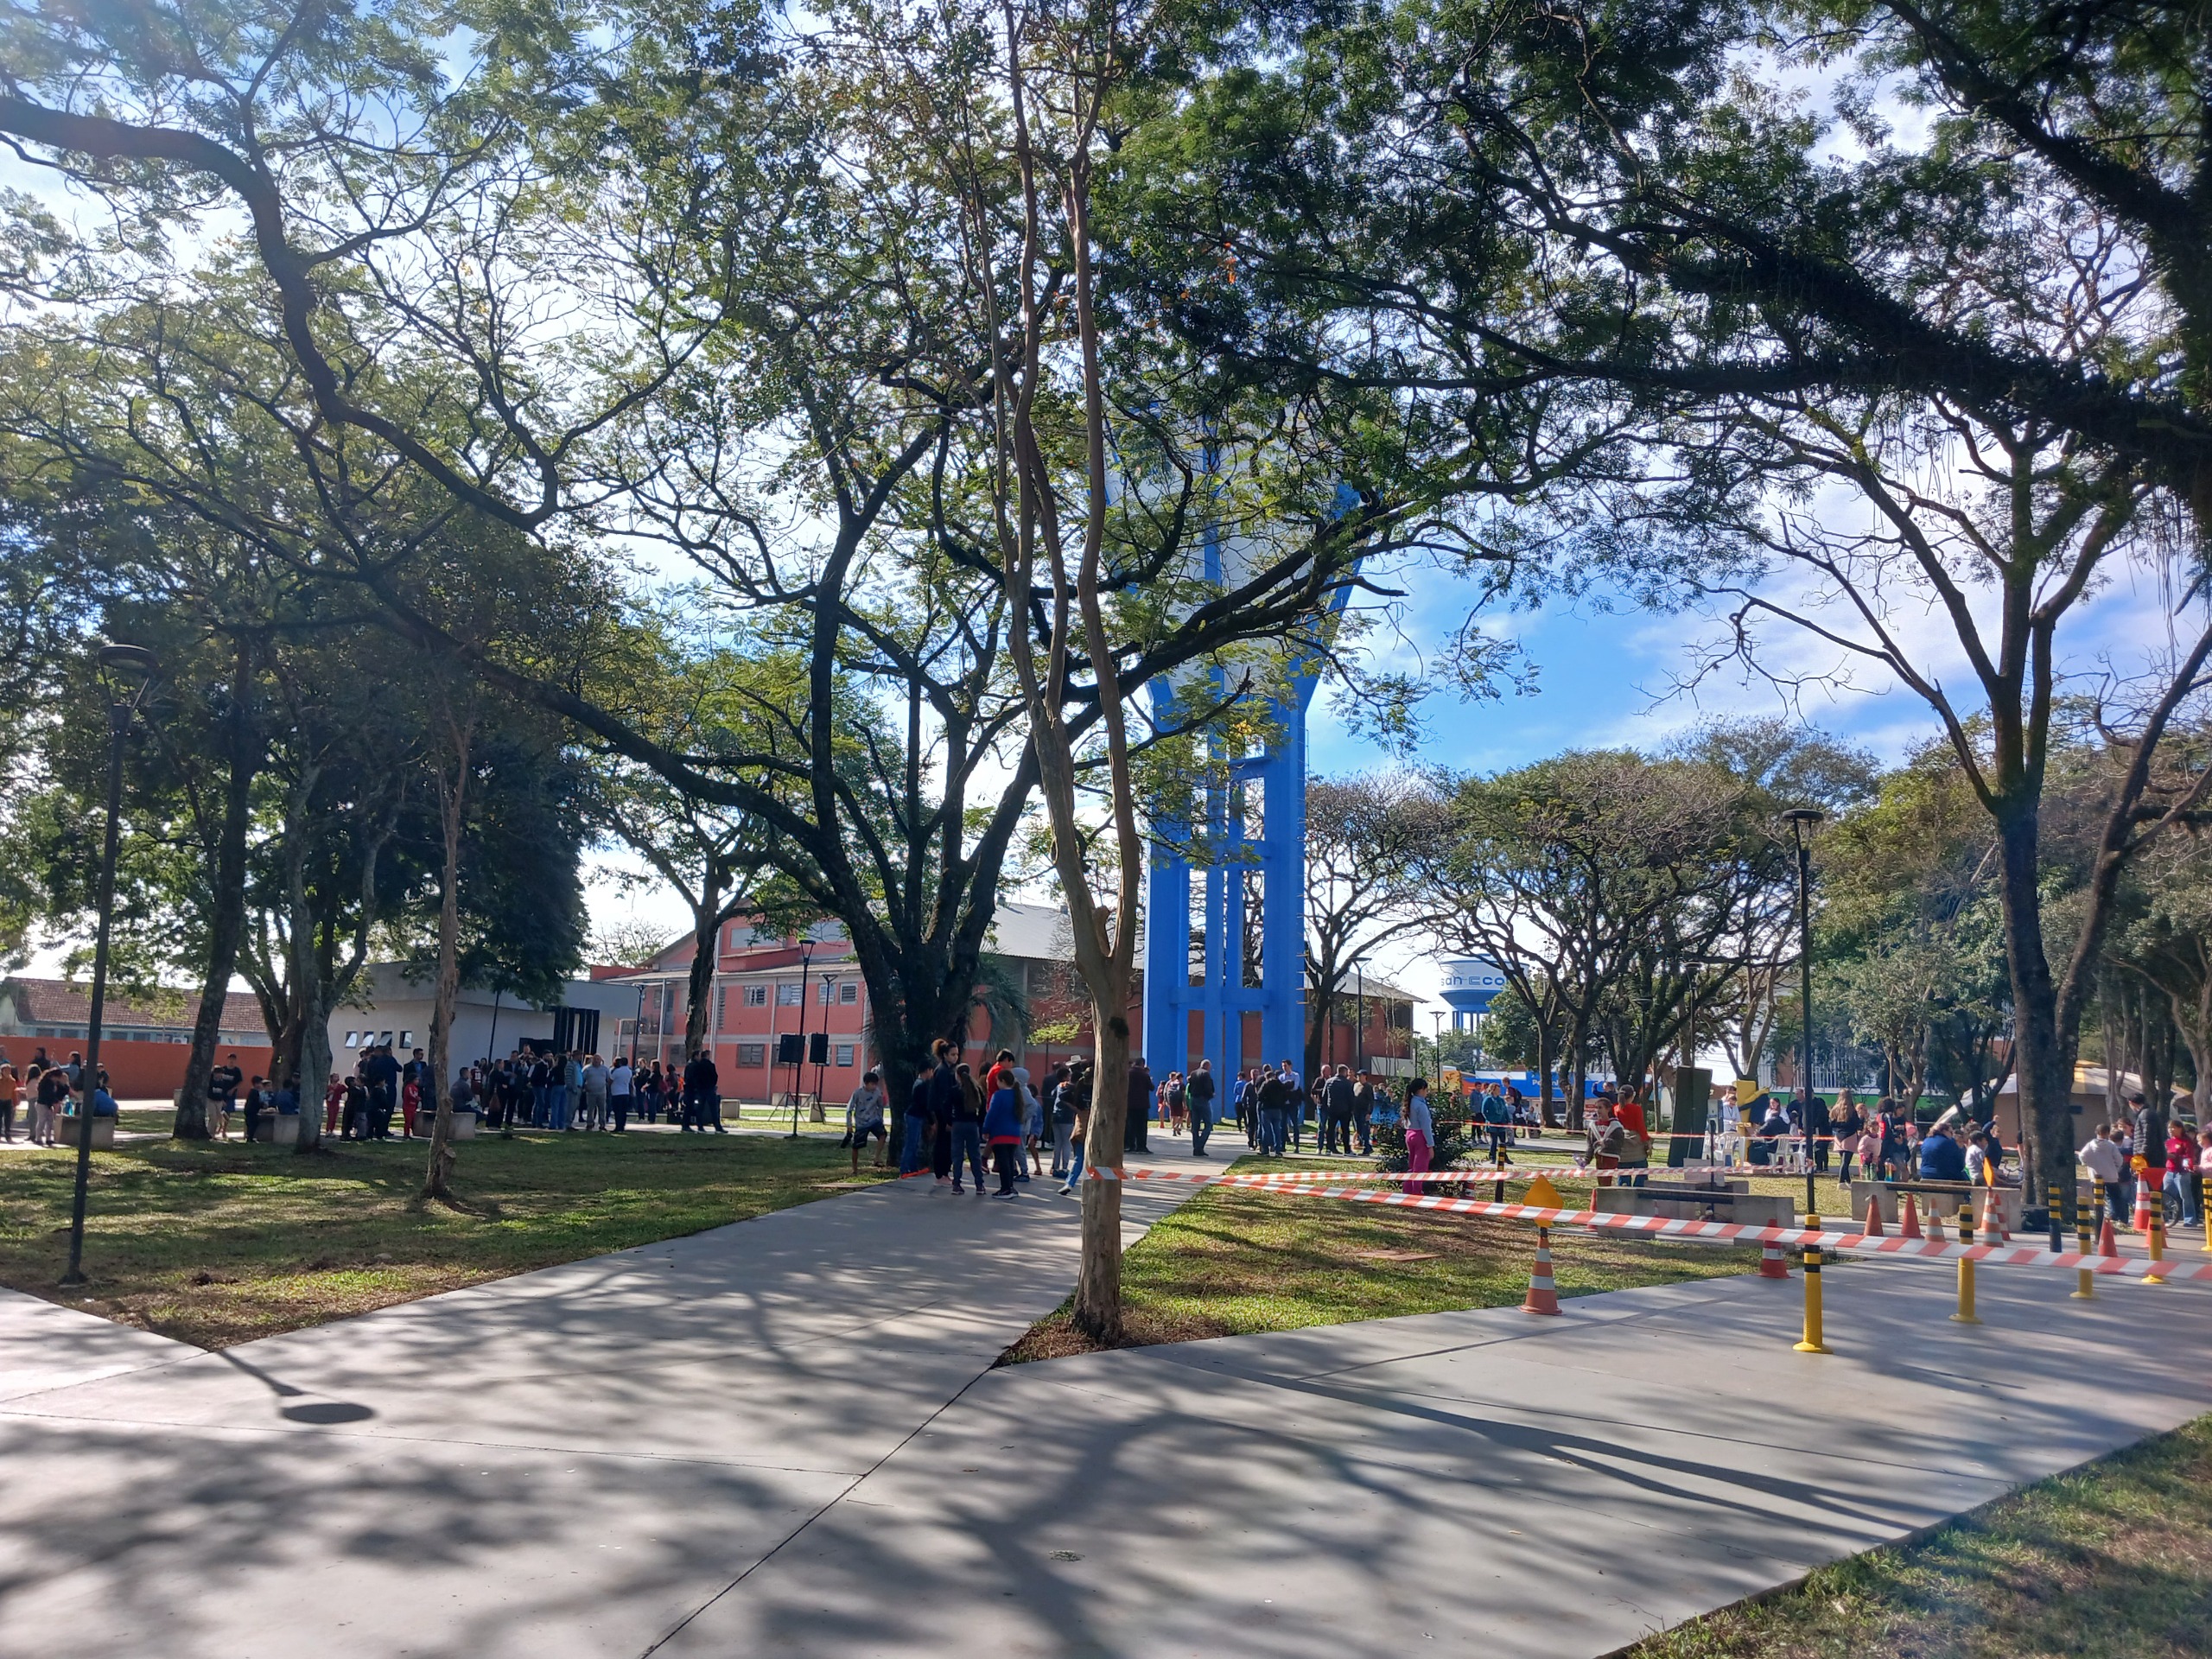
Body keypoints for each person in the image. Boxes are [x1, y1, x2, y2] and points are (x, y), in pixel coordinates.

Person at [983, 1068, 1025, 1198]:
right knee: (1010, 1161)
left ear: (1002, 1081)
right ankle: (1010, 1187)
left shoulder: (998, 1096)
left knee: (1003, 1162)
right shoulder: (1017, 1095)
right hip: (1014, 1134)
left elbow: (992, 1114)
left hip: (1000, 1133)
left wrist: (986, 1129)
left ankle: (1005, 1188)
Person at [950, 1062, 987, 1192]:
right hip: (972, 1124)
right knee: (975, 1155)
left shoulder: (955, 1090)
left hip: (958, 1124)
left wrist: (950, 1121)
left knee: (957, 1155)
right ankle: (979, 1184)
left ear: (957, 1075)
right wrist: (979, 1122)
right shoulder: (976, 1090)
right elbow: (983, 1108)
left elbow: (946, 1106)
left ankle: (956, 1184)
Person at [844, 1069, 889, 1173]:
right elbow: (849, 1109)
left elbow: (880, 1106)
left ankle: (876, 1158)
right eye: (872, 1084)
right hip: (861, 1122)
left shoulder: (877, 1093)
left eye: (875, 1084)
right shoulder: (858, 1093)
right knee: (856, 1146)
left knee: (883, 1135)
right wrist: (849, 1125)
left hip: (874, 1120)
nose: (874, 1087)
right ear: (866, 1083)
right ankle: (855, 1169)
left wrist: (880, 1119)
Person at [1058, 1065, 1092, 1193]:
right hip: (1093, 1126)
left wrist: (1077, 1110)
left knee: (1079, 1158)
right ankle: (1092, 1186)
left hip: (1081, 1126)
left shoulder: (1079, 1087)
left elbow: (1063, 1097)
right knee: (1096, 1159)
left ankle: (1070, 1183)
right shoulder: (1096, 1089)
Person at [900, 1056, 937, 1174]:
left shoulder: (918, 1083)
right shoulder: (922, 1085)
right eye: (932, 1071)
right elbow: (925, 1105)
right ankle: (904, 1169)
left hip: (915, 1116)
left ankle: (913, 1168)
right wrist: (932, 1122)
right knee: (911, 1143)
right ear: (928, 1070)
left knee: (915, 1143)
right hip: (914, 1116)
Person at [1402, 1077, 1435, 1196]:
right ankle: (1417, 1192)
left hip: (1409, 1133)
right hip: (1420, 1136)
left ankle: (1407, 1190)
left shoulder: (1409, 1102)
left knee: (1412, 1165)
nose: (1427, 1093)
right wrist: (1430, 1145)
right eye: (1426, 1090)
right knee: (1420, 1168)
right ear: (1421, 1089)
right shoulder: (1421, 1105)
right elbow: (1426, 1127)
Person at [2164, 1122, 2200, 1228]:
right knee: (2167, 1194)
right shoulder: (2168, 1142)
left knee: (2185, 1196)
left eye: (2173, 1127)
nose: (2171, 1130)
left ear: (2180, 1129)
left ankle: (2190, 1219)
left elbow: (2189, 1157)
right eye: (2169, 1128)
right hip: (2169, 1171)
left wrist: (2176, 1157)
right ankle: (2169, 1216)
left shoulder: (2186, 1141)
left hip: (2181, 1172)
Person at [1321, 1065, 1357, 1155]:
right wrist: (1351, 1109)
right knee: (1345, 1130)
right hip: (1344, 1110)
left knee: (1331, 1129)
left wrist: (1326, 1107)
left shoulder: (1329, 1081)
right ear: (1344, 1072)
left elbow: (1324, 1096)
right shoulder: (1347, 1083)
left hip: (1332, 1109)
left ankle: (1329, 1148)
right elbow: (1351, 1098)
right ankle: (1347, 1150)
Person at [1918, 1119, 1967, 1184]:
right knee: (1967, 1177)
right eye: (1951, 1132)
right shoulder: (1949, 1142)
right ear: (1944, 1131)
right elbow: (1960, 1161)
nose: (1952, 1135)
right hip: (1942, 1174)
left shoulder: (1926, 1140)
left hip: (1925, 1172)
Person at [1187, 1058, 1217, 1157]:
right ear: (1207, 1066)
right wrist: (1211, 1095)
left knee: (1195, 1125)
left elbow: (1190, 1088)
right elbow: (1208, 1087)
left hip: (1194, 1099)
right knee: (1208, 1124)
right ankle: (1200, 1146)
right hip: (1203, 1099)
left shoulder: (1193, 1073)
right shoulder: (1206, 1074)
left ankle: (1196, 1148)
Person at [1125, 1056, 1154, 1154]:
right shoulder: (1144, 1075)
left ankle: (1131, 1145)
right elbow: (1151, 1087)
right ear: (1142, 1064)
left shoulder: (1128, 1073)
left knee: (1131, 1125)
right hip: (1142, 1104)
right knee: (1141, 1126)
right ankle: (1141, 1146)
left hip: (1130, 1103)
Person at [609, 1053, 635, 1132]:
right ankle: (622, 1126)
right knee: (623, 1111)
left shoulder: (617, 1071)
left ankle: (618, 1126)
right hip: (625, 1092)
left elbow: (610, 1080)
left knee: (617, 1111)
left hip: (616, 1093)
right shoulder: (629, 1071)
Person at [0, 1050, 16, 1143]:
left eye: (9, 1071)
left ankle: (8, 1135)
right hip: (0, 1100)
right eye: (5, 1071)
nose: (8, 1072)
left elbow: (14, 1092)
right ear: (2, 1072)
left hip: (8, 1101)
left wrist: (15, 1102)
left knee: (8, 1119)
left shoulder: (12, 1081)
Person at [401, 1074, 422, 1139]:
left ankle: (409, 1133)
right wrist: (417, 1098)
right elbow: (411, 1095)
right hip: (408, 1107)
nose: (418, 1081)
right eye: (416, 1080)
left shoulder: (415, 1088)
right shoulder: (409, 1087)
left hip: (413, 1106)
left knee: (411, 1120)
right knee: (408, 1120)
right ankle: (406, 1133)